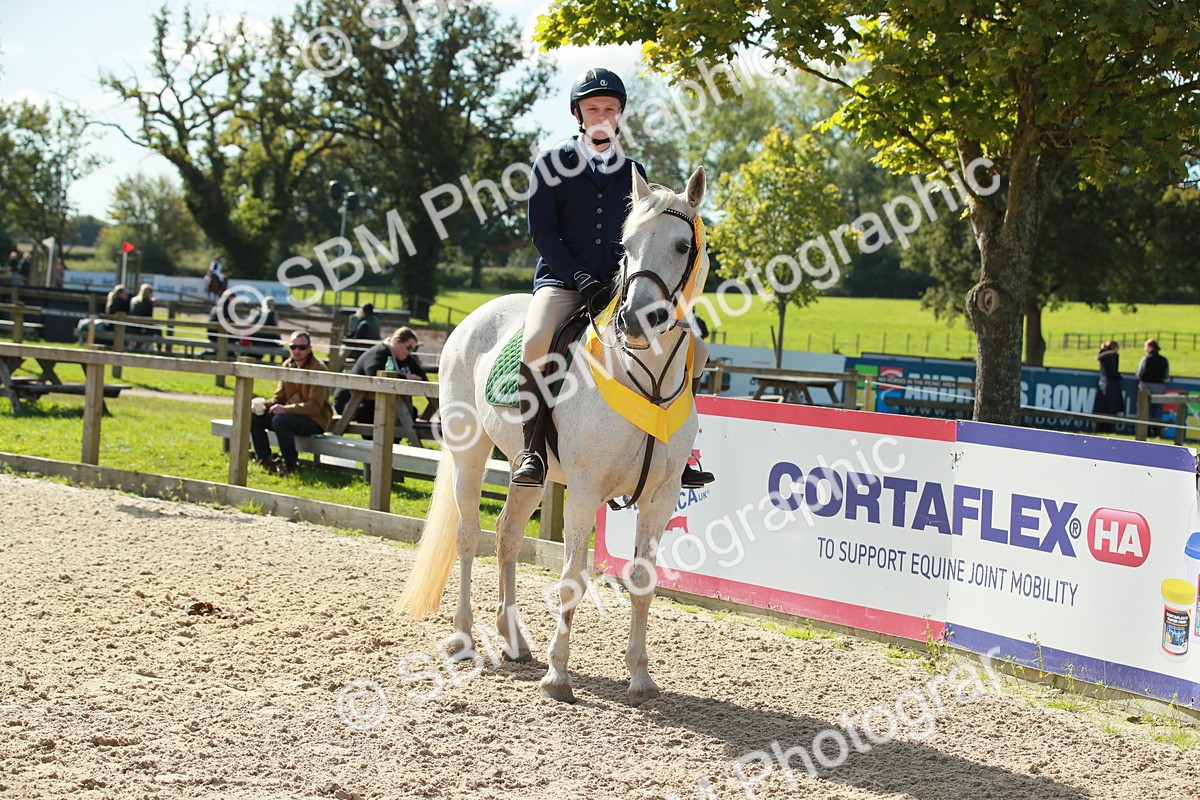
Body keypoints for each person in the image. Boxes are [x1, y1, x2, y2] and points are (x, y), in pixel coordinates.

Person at [512, 67, 713, 489]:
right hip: (563, 284)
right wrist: (577, 276)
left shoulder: (633, 170)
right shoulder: (551, 163)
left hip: (622, 288)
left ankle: (681, 451)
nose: (601, 114)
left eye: (609, 108)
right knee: (536, 342)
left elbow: (645, 234)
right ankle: (532, 450)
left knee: (696, 346)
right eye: (592, 108)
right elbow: (542, 232)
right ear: (578, 114)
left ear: (619, 114)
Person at [249, 330, 333, 473]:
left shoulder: (318, 368)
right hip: (290, 416)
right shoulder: (287, 365)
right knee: (255, 416)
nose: (297, 351)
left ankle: (291, 465)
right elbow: (279, 398)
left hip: (314, 420)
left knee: (280, 420)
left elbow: (315, 407)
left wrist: (286, 409)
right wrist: (263, 405)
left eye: (302, 347)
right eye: (293, 347)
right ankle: (265, 459)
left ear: (309, 349)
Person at [334, 327, 427, 445]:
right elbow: (374, 375)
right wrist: (405, 378)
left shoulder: (405, 357)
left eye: (413, 349)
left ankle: (391, 449)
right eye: (408, 347)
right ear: (397, 341)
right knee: (381, 415)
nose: (410, 352)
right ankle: (377, 452)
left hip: (376, 403)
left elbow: (422, 376)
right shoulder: (379, 353)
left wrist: (411, 378)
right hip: (352, 402)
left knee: (409, 412)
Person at [1136, 338, 1170, 437]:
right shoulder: (1164, 360)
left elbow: (1139, 373)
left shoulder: (1146, 359)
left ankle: (1145, 431)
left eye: (1145, 346)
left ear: (1151, 347)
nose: (1145, 348)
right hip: (1159, 387)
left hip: (1146, 386)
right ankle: (1157, 432)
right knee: (1157, 411)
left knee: (1144, 410)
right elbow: (1166, 375)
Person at [1093, 340, 1123, 434]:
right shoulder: (1113, 356)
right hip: (1111, 386)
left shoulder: (1102, 354)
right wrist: (1119, 377)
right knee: (1111, 410)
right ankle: (1109, 429)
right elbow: (1113, 372)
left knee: (1102, 409)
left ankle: (1099, 429)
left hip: (1102, 384)